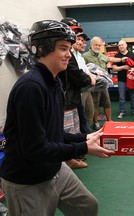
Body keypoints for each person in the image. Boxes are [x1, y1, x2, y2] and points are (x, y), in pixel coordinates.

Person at [0, 20, 114, 216]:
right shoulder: (31, 88)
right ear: (42, 49)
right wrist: (84, 148)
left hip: (54, 168)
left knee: (87, 207)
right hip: (27, 178)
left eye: (69, 48)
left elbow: (52, 133)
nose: (69, 54)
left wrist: (84, 137)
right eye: (63, 48)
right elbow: (35, 149)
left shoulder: (55, 83)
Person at [59, 18, 97, 168]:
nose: (74, 37)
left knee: (73, 130)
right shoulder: (32, 83)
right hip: (66, 98)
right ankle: (66, 161)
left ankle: (70, 158)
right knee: (66, 131)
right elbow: (76, 75)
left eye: (75, 33)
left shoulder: (73, 54)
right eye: (72, 32)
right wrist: (88, 79)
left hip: (71, 97)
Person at [83, 36, 123, 130]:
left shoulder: (102, 55)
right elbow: (83, 70)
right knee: (95, 104)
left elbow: (111, 59)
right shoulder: (85, 56)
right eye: (96, 45)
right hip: (94, 85)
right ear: (91, 45)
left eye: (99, 45)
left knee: (107, 102)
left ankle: (109, 121)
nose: (97, 47)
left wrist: (122, 59)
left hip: (104, 84)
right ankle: (96, 122)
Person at [112, 40, 134, 119]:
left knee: (133, 95)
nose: (121, 46)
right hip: (121, 79)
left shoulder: (132, 54)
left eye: (122, 45)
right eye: (119, 45)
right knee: (121, 97)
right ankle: (122, 111)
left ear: (126, 45)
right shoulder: (117, 56)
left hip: (131, 79)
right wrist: (123, 67)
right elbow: (114, 69)